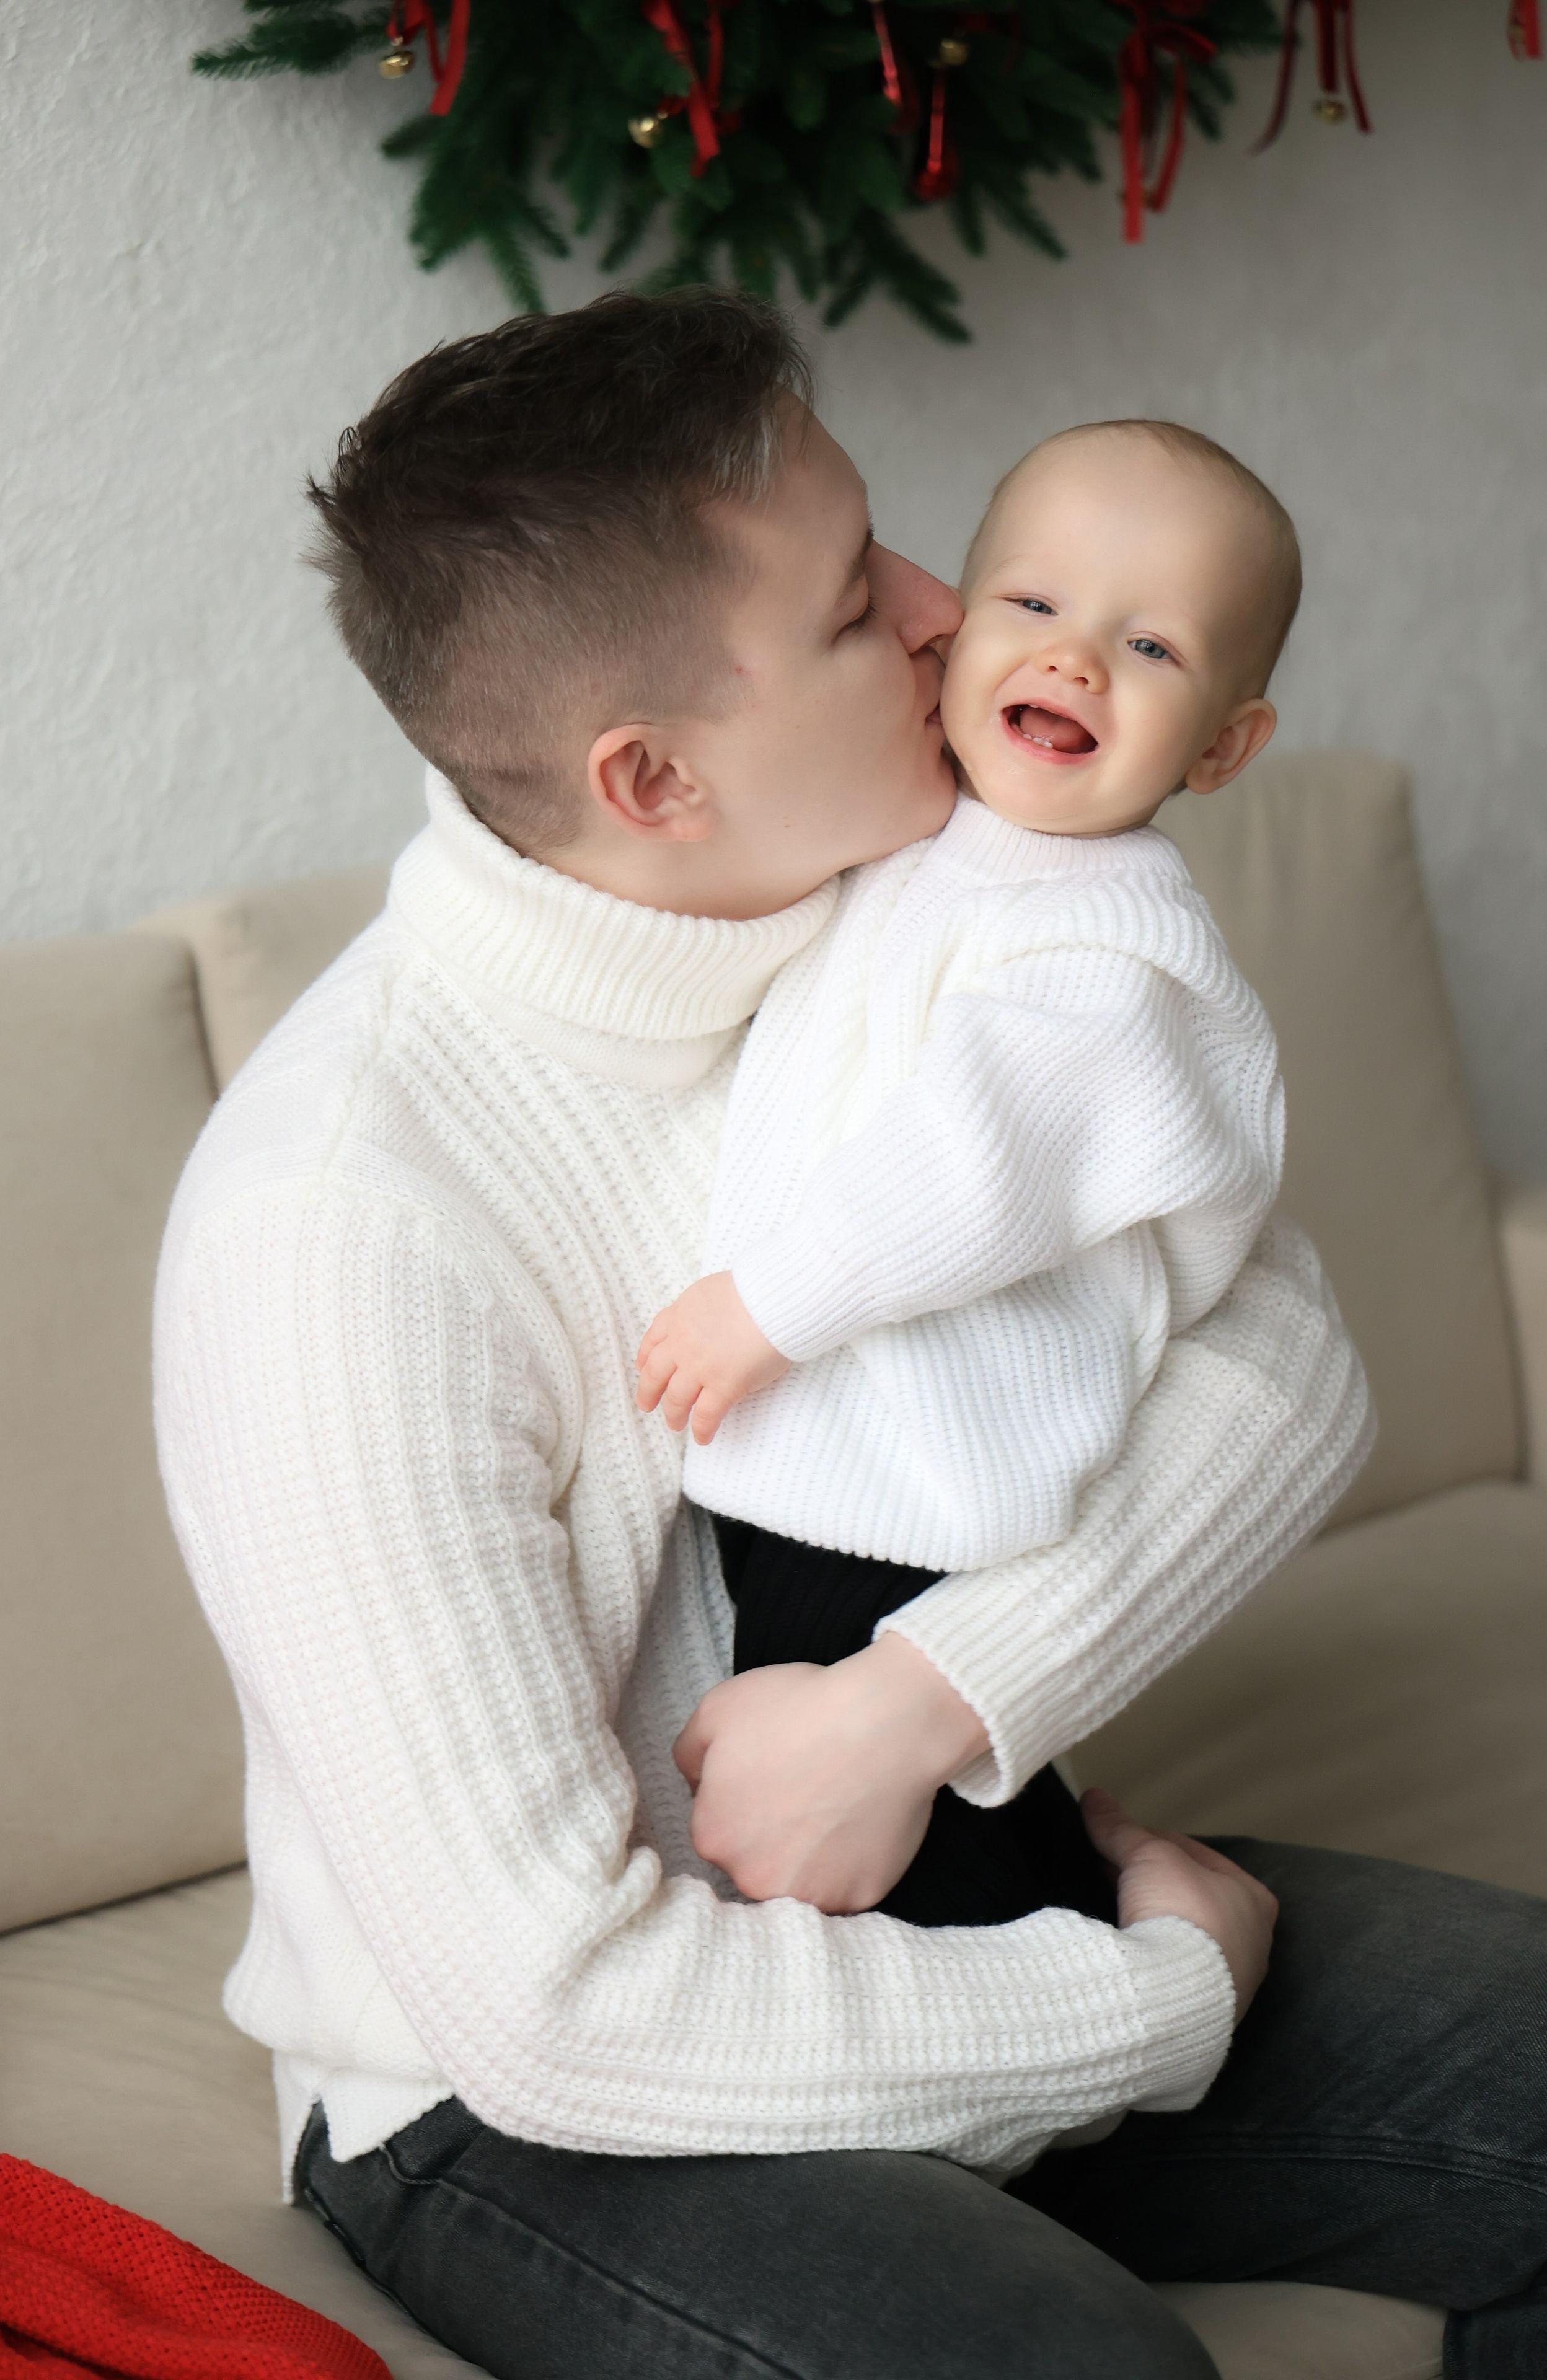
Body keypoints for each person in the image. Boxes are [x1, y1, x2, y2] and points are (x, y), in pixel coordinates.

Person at [154, 292, 1547, 2378]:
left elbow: (1288, 1355)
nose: (942, 611)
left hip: (949, 1869)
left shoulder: (910, 904)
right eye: (846, 604)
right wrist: (1154, 2005)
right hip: (539, 2096)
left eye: (890, 541)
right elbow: (551, 2006)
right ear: (655, 777)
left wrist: (924, 1704)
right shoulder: (341, 1228)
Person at [635, 421, 1294, 1935]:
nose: (1073, 660)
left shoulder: (1111, 947)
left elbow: (973, 1160)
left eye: (1147, 645)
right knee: (861, 1823)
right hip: (838, 1459)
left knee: (900, 1874)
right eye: (1033, 603)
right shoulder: (927, 845)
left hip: (916, 1487)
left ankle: (1132, 1966)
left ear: (1218, 747)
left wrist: (770, 1305)